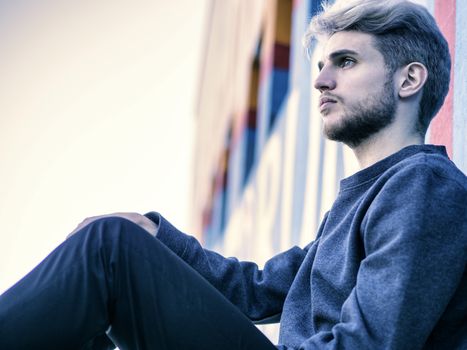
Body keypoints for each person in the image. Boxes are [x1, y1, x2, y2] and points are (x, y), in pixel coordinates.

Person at [1, 0, 466, 348]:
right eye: (321, 65)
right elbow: (256, 290)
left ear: (409, 80)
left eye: (345, 62)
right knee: (85, 331)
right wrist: (157, 236)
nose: (322, 80)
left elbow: (371, 345)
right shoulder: (363, 202)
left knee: (109, 249)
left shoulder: (423, 186)